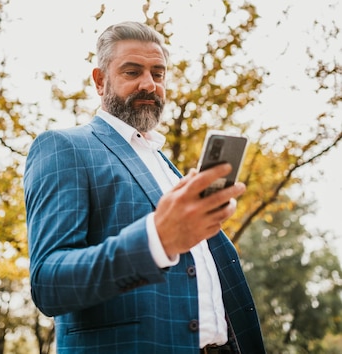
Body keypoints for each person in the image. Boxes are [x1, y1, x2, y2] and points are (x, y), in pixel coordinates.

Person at [24, 21, 266, 354]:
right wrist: (157, 239)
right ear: (100, 80)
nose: (149, 84)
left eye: (158, 73)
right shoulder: (64, 147)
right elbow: (49, 282)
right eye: (132, 71)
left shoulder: (166, 165)